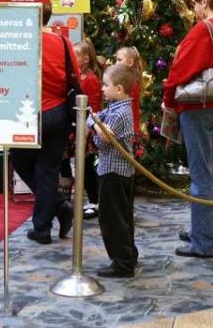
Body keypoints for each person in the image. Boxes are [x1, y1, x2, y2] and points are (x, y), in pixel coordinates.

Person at [164, 0, 213, 257]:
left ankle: (205, 241)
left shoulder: (203, 29)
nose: (194, 7)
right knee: (204, 169)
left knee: (201, 174)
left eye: (195, 1)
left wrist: (168, 99)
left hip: (198, 106)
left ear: (205, 1)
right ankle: (201, 230)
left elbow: (180, 70)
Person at [11, 4, 81, 244]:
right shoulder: (62, 42)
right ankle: (48, 220)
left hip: (28, 113)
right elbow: (75, 76)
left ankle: (52, 216)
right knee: (48, 170)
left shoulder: (19, 41)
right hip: (58, 112)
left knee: (21, 162)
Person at [88, 64, 139, 278]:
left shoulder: (120, 113)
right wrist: (95, 121)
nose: (102, 89)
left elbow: (104, 139)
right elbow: (98, 118)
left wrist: (93, 123)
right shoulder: (115, 107)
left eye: (105, 85)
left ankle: (122, 262)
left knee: (113, 219)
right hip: (116, 171)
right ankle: (128, 255)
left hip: (114, 173)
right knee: (122, 216)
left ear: (119, 89)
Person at [73, 39, 102, 219]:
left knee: (87, 164)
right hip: (76, 126)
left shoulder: (90, 79)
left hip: (86, 128)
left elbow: (94, 106)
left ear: (86, 58)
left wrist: (89, 128)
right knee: (77, 164)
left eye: (77, 55)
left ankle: (94, 201)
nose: (74, 58)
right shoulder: (77, 76)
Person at [115, 46, 144, 137]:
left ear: (130, 62)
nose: (116, 63)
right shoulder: (125, 81)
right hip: (124, 130)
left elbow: (124, 108)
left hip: (129, 131)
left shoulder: (132, 83)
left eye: (119, 60)